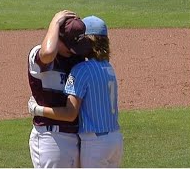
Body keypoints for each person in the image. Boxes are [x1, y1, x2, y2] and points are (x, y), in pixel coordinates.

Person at [28, 15, 124, 168]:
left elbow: (70, 113)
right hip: (112, 139)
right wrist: (56, 22)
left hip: (92, 143)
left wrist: (37, 109)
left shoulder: (81, 68)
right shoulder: (107, 68)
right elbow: (47, 54)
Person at [27, 10, 88, 168]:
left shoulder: (77, 57)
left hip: (78, 137)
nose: (73, 50)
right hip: (51, 139)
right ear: (57, 37)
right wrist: (55, 22)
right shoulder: (39, 57)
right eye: (69, 46)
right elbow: (47, 53)